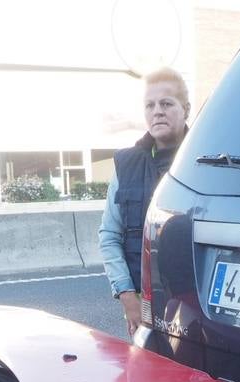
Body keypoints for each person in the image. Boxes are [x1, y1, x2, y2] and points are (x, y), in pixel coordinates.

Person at [99, 67, 191, 337]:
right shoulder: (125, 164)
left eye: (166, 103)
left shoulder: (203, 162)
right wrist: (128, 298)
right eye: (150, 105)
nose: (157, 111)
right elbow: (109, 235)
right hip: (143, 305)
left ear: (185, 108)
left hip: (191, 304)